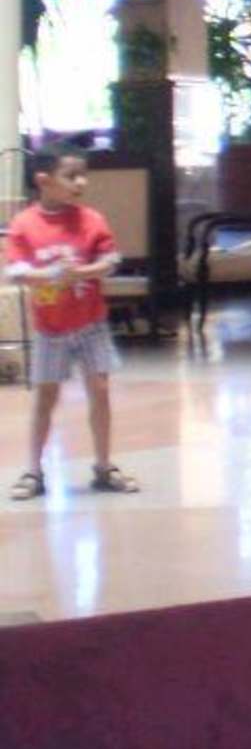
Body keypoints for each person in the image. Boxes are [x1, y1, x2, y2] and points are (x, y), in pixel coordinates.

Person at [8, 149, 134, 500]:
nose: (81, 183)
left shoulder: (91, 219)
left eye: (83, 175)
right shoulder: (24, 224)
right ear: (44, 180)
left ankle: (104, 466)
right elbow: (17, 271)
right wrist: (49, 275)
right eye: (71, 176)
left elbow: (109, 261)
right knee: (46, 396)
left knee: (100, 390)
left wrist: (81, 273)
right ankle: (34, 471)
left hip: (91, 323)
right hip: (50, 328)